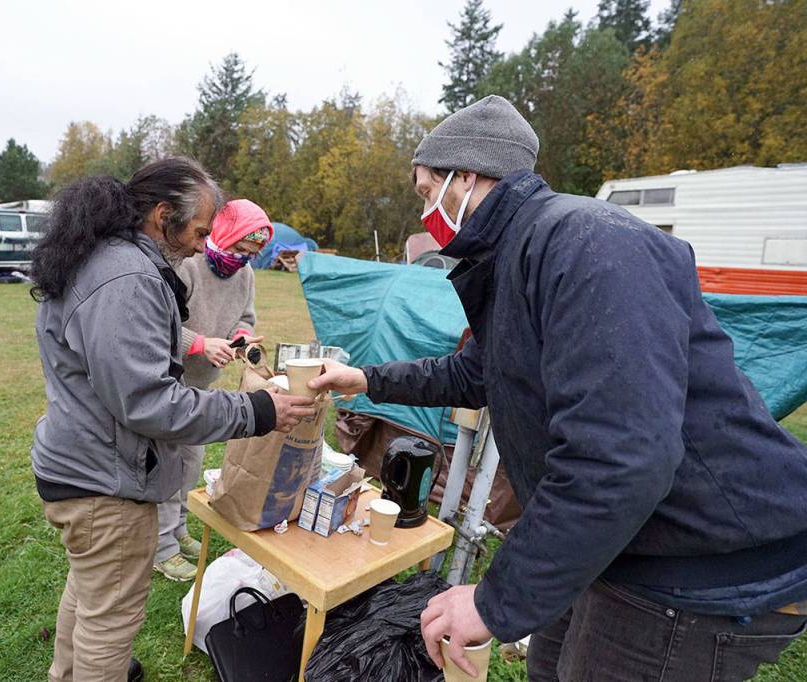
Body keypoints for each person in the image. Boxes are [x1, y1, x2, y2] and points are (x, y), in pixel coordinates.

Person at [308, 95, 807, 681]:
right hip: (614, 542)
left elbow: (624, 456)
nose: (425, 213)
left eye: (425, 191)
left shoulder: (586, 242)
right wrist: (366, 378)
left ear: (464, 177)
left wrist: (497, 602)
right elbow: (478, 372)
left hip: (694, 567)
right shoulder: (514, 254)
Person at [28, 158, 315, 682]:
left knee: (90, 592)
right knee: (111, 622)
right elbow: (148, 402)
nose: (200, 243)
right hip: (103, 481)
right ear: (163, 215)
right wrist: (257, 410)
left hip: (80, 465)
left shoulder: (104, 259)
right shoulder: (127, 277)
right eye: (200, 230)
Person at [153, 198, 273, 581]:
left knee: (191, 463)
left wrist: (239, 337)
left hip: (202, 388)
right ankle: (161, 547)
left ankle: (179, 529)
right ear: (225, 233)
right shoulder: (187, 266)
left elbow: (243, 316)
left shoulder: (245, 275)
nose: (242, 258)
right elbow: (159, 326)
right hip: (170, 383)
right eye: (240, 248)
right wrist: (200, 344)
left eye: (251, 254)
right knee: (168, 466)